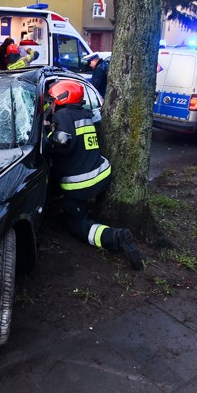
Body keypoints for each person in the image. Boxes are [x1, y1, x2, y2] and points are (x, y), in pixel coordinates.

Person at [46, 79, 143, 270]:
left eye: (52, 100)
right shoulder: (85, 113)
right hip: (102, 174)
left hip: (81, 184)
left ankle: (115, 237)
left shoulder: (63, 115)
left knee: (76, 225)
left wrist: (47, 134)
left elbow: (64, 144)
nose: (50, 104)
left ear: (62, 97)